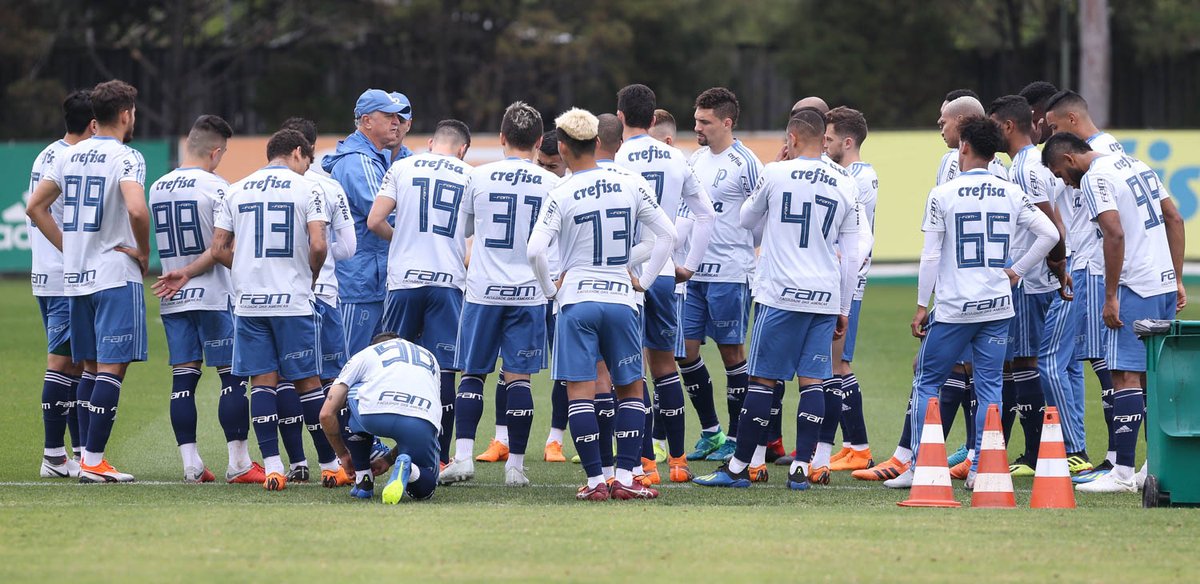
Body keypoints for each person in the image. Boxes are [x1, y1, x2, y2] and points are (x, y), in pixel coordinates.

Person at [886, 116, 1059, 489]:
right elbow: (1050, 233)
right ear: (994, 152)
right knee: (990, 386)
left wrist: (922, 305)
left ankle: (920, 465)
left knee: (926, 381)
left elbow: (931, 255)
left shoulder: (943, 194)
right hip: (997, 304)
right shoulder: (1010, 191)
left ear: (963, 146)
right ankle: (982, 467)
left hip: (955, 307)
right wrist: (1017, 271)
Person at [695, 109, 862, 491]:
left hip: (780, 293)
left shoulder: (774, 172)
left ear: (792, 138)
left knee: (762, 380)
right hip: (824, 294)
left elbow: (745, 219)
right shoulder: (844, 181)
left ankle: (739, 467)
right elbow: (852, 253)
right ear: (823, 139)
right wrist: (843, 307)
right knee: (813, 381)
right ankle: (802, 467)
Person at [527, 108, 676, 501]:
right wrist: (642, 279)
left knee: (580, 392)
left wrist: (550, 290)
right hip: (621, 299)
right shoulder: (630, 182)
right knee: (630, 391)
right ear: (597, 143)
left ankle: (595, 482)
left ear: (561, 147)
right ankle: (626, 477)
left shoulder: (560, 192)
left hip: (577, 300)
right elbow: (667, 235)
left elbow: (535, 251)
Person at [1042, 133, 1186, 493]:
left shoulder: (1095, 178)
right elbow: (1174, 217)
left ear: (1069, 159)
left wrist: (1110, 296)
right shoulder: (1135, 163)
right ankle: (1154, 466)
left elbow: (1114, 234)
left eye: (1060, 174)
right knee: (1152, 378)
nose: (1065, 182)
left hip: (1135, 285)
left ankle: (1121, 473)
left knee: (1124, 375)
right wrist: (1177, 278)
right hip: (1162, 283)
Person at [27, 80, 150, 483]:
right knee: (111, 369)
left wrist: (71, 247)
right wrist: (144, 251)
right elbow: (137, 209)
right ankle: (94, 460)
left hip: (77, 279)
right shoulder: (128, 156)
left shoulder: (67, 155)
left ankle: (84, 459)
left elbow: (35, 207)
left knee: (89, 369)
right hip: (113, 275)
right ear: (127, 115)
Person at [438, 102, 557, 487]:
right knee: (519, 379)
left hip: (483, 291)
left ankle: (463, 458)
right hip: (529, 293)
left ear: (502, 137)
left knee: (473, 374)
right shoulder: (552, 183)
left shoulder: (478, 176)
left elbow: (464, 231)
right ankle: (515, 467)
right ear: (539, 141)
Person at [148, 115, 265, 484]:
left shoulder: (158, 186)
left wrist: (181, 272)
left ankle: (191, 465)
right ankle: (239, 462)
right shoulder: (217, 187)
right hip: (214, 294)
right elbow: (220, 249)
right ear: (215, 152)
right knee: (232, 378)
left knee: (183, 380)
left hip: (173, 295)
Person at [209, 129, 328, 491]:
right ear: (297, 152)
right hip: (292, 300)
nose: (306, 167)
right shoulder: (309, 188)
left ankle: (274, 468)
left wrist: (246, 270)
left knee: (262, 382)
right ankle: (330, 465)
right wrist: (310, 276)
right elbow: (319, 245)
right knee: (308, 382)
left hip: (250, 303)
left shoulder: (235, 189)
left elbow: (218, 248)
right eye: (306, 161)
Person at [615, 83, 715, 483]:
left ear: (621, 117)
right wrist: (687, 266)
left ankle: (645, 464)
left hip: (628, 273)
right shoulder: (677, 157)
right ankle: (678, 462)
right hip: (664, 273)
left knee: (631, 372)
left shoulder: (617, 156)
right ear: (654, 117)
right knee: (665, 367)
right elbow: (706, 214)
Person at [367, 119, 472, 467]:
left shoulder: (402, 167)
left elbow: (374, 221)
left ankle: (391, 449)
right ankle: (437, 459)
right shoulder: (469, 175)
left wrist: (401, 239)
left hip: (404, 280)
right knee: (444, 370)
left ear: (430, 143)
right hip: (447, 281)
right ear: (462, 149)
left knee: (393, 363)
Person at [984, 95, 1070, 478]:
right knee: (1022, 361)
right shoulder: (1031, 162)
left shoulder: (1024, 168)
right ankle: (1029, 450)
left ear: (1007, 126)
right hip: (1036, 276)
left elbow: (1050, 227)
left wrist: (1052, 266)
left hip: (1031, 280)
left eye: (993, 125)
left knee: (1024, 362)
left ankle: (1035, 454)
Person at [1042, 90, 1125, 480]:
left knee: (1104, 360)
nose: (1050, 134)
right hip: (1088, 264)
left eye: (1053, 126)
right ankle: (1115, 455)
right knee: (1101, 358)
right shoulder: (1107, 152)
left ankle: (1102, 455)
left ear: (1072, 121)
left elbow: (1111, 227)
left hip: (1092, 266)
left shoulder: (1097, 160)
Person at [681, 87, 763, 463]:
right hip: (693, 274)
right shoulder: (695, 159)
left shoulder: (746, 163)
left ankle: (735, 437)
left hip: (730, 273)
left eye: (705, 121)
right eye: (696, 120)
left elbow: (760, 217)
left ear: (727, 123)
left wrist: (743, 249)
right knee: (684, 352)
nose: (697, 127)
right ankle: (711, 431)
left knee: (732, 353)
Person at [276, 117, 359, 485]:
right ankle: (337, 462)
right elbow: (348, 247)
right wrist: (320, 256)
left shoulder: (261, 185)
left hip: (280, 295)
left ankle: (296, 462)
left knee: (284, 378)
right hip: (322, 294)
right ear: (309, 149)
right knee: (328, 381)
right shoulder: (328, 187)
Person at [29, 90, 93, 479]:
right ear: (94, 125)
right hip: (62, 277)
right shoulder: (71, 159)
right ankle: (54, 456)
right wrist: (73, 253)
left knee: (74, 363)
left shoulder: (47, 154)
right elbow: (38, 211)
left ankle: (78, 452)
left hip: (46, 274)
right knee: (63, 362)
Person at [322, 89, 405, 356]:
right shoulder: (359, 162)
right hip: (359, 282)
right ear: (367, 121)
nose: (396, 122)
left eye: (399, 117)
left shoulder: (375, 157)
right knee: (349, 364)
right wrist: (413, 241)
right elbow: (382, 215)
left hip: (370, 279)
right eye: (389, 116)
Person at [820, 106, 879, 473]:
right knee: (834, 363)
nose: (823, 144)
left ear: (847, 141)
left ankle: (857, 447)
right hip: (840, 280)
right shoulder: (849, 175)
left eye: (828, 139)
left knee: (838, 364)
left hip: (847, 283)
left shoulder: (859, 178)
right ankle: (852, 444)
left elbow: (855, 238)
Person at [320, 332, 443, 503]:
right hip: (421, 418)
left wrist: (343, 455)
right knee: (424, 488)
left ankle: (363, 479)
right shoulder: (429, 357)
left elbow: (326, 414)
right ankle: (410, 469)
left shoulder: (365, 354)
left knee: (349, 390)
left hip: (374, 413)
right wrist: (389, 459)